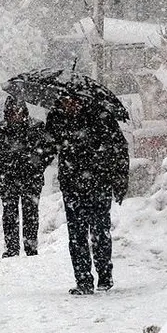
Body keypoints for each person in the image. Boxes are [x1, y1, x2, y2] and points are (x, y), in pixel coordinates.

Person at [46, 95, 129, 295]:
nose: (70, 104)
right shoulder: (57, 118)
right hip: (72, 185)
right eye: (65, 100)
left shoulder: (100, 117)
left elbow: (119, 149)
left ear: (82, 100)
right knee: (77, 235)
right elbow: (47, 148)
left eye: (73, 100)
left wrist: (119, 181)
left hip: (98, 184)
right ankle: (83, 279)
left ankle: (104, 275)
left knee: (100, 231)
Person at [0, 97, 54, 258]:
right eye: (12, 111)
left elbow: (49, 150)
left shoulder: (37, 127)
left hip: (31, 178)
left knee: (30, 213)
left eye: (17, 111)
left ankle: (30, 247)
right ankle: (12, 248)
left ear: (24, 111)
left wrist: (38, 166)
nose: (15, 115)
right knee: (10, 214)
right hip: (9, 178)